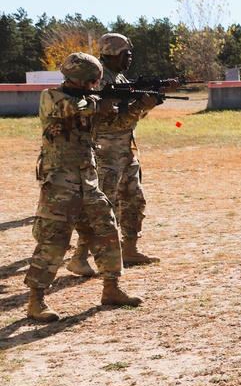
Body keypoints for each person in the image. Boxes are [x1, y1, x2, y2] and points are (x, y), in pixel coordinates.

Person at [24, 53, 142, 322]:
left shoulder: (91, 101)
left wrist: (137, 105)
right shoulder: (51, 96)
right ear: (80, 78)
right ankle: (35, 301)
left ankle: (111, 288)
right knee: (53, 239)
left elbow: (113, 123)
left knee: (106, 230)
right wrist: (100, 103)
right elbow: (73, 108)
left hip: (88, 179)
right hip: (59, 181)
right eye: (91, 81)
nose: (94, 85)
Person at [68, 33, 175, 274]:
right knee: (103, 206)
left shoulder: (120, 76)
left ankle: (130, 249)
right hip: (107, 152)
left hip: (126, 148)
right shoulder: (100, 79)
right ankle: (79, 257)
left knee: (133, 199)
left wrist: (148, 102)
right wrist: (141, 106)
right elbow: (109, 121)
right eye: (126, 54)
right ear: (114, 53)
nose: (130, 58)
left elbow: (130, 116)